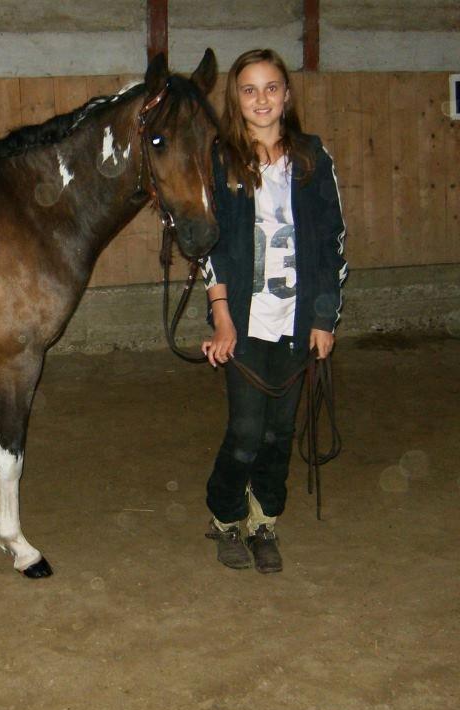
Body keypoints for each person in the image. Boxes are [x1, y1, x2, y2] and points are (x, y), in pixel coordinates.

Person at [199, 48, 348, 573]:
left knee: (279, 434)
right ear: (236, 100)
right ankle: (224, 517)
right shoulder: (220, 160)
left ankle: (264, 522)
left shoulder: (312, 158)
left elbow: (332, 243)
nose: (261, 99)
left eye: (271, 87)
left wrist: (324, 317)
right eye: (249, 89)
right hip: (244, 323)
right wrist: (221, 316)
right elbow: (208, 246)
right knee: (244, 431)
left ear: (286, 93)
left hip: (296, 323)